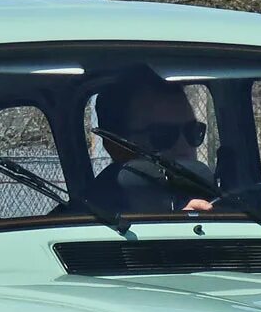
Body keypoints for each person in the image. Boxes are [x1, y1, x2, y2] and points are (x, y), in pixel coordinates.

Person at [87, 75, 217, 215]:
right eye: (163, 134)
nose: (184, 145)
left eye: (192, 131)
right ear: (115, 147)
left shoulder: (220, 199)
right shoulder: (91, 216)